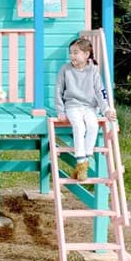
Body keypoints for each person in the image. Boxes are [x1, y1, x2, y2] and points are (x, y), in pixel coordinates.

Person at [54, 38, 117, 181]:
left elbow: (100, 92)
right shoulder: (65, 69)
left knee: (93, 126)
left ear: (86, 54)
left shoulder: (93, 71)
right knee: (79, 127)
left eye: (75, 53)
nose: (72, 56)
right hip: (72, 105)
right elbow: (58, 91)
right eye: (70, 53)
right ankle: (81, 162)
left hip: (89, 106)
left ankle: (85, 160)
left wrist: (106, 109)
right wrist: (61, 111)